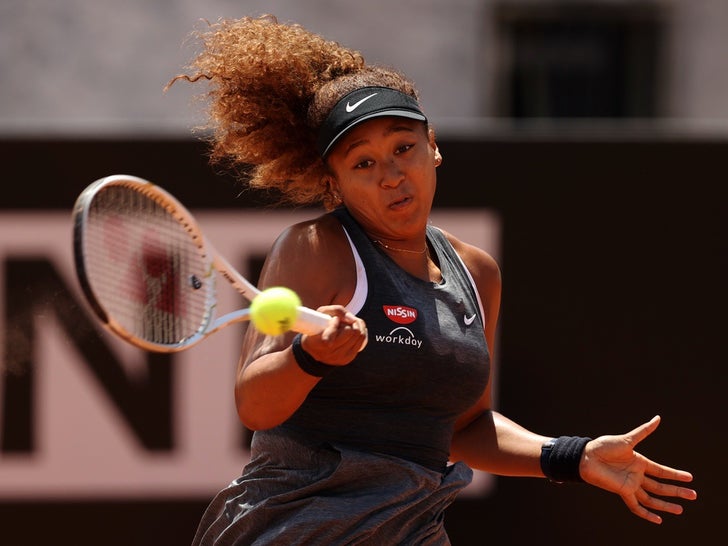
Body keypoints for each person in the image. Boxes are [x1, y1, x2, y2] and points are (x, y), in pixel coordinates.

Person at [169, 15, 697, 545]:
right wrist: (311, 358)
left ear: (433, 146)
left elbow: (464, 428)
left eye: (403, 147)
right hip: (292, 531)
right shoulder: (316, 248)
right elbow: (255, 406)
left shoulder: (476, 271)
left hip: (412, 531)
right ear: (334, 187)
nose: (392, 174)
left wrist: (571, 456)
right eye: (364, 163)